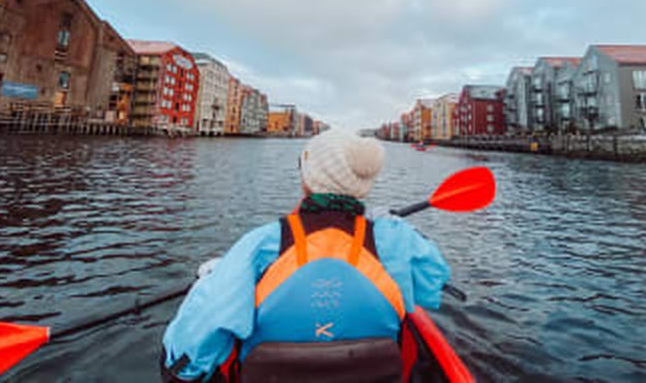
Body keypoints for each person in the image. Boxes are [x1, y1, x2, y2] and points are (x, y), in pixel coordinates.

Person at [161, 129, 451, 382]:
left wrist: (210, 279)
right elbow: (432, 285)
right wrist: (393, 228)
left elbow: (186, 363)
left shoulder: (262, 243)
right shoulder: (395, 238)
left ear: (308, 179)